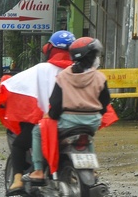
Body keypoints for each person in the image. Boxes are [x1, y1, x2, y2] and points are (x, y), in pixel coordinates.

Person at [0, 30, 76, 193]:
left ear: (51, 49)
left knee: (19, 144)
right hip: (77, 121)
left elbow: (16, 85)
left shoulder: (42, 69)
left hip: (49, 122)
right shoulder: (81, 70)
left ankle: (18, 179)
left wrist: (4, 83)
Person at [28, 37, 112, 183]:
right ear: (92, 58)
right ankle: (92, 170)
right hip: (92, 122)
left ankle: (38, 170)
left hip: (67, 123)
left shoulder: (63, 76)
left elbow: (55, 104)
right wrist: (97, 113)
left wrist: (52, 116)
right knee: (86, 136)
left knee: (37, 131)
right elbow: (105, 102)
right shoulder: (100, 77)